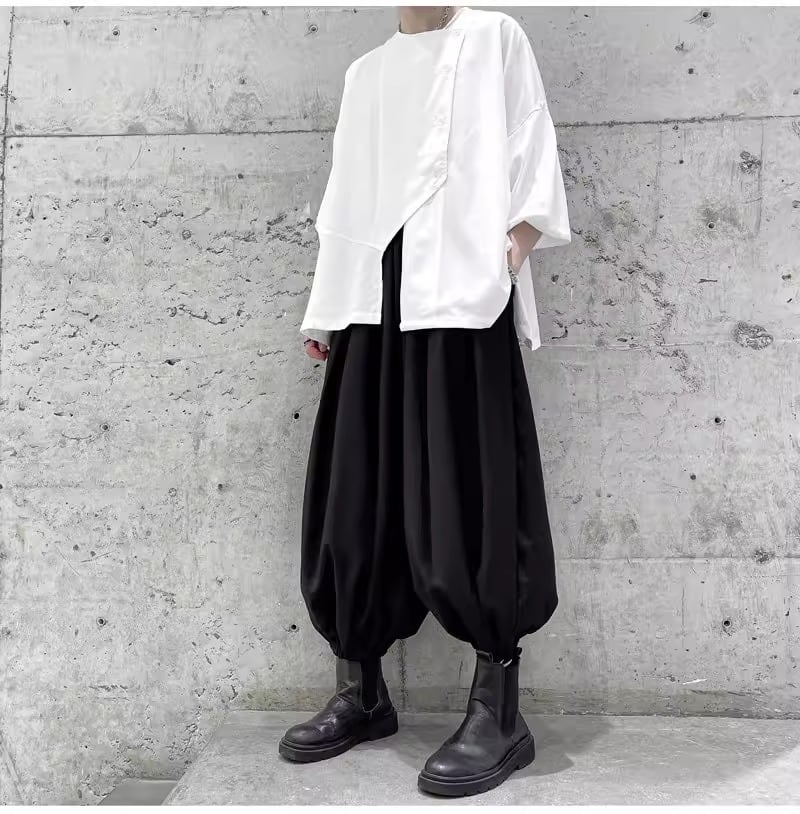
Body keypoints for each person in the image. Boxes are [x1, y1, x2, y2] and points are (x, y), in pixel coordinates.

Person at [279, 5, 571, 798]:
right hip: (369, 298)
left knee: (468, 490)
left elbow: (530, 147)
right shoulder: (366, 72)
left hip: (458, 289)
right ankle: (362, 691)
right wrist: (325, 308)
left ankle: (498, 711)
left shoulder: (493, 36)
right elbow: (346, 193)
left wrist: (507, 255)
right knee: (356, 493)